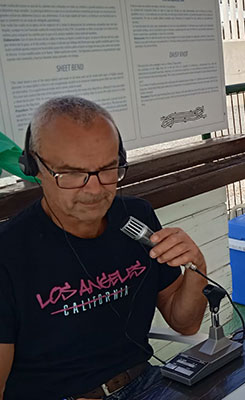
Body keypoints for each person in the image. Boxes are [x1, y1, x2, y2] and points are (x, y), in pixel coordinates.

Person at [0, 97, 209, 400]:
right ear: (34, 167)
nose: (95, 190)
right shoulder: (8, 252)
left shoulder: (136, 218)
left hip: (145, 384)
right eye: (71, 174)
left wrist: (196, 267)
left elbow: (185, 323)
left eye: (108, 169)